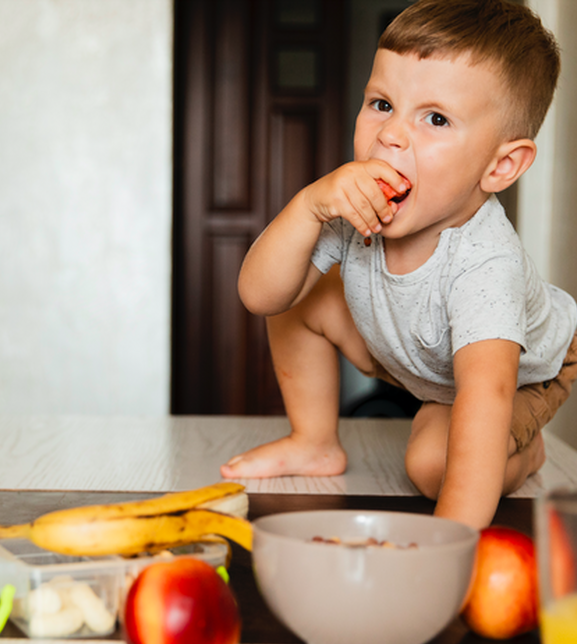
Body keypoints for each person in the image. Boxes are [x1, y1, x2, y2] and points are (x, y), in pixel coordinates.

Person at [219, 0, 577, 529]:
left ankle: (526, 454)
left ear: (501, 166)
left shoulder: (485, 265)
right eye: (382, 103)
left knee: (433, 464)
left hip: (519, 377)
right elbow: (262, 295)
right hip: (421, 348)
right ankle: (314, 442)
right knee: (299, 288)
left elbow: (484, 395)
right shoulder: (352, 207)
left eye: (435, 118)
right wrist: (308, 206)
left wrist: (441, 552)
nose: (391, 135)